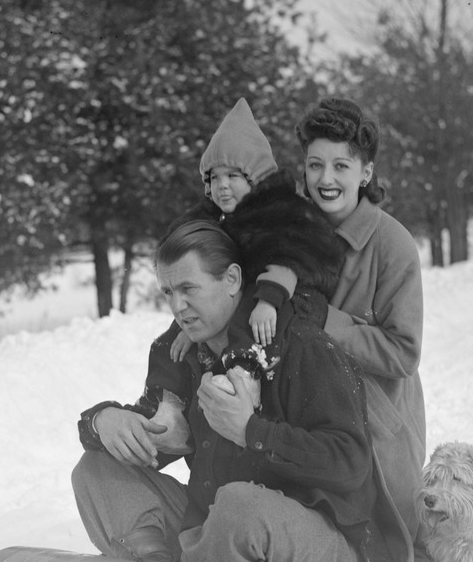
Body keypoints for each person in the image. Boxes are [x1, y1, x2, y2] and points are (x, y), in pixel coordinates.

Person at [72, 221, 377, 562]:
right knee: (95, 472)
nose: (176, 306)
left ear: (232, 280)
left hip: (313, 541)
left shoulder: (302, 345)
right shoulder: (186, 355)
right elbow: (151, 435)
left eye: (188, 289)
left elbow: (351, 464)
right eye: (167, 293)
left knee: (239, 504)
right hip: (217, 536)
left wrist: (253, 431)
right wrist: (103, 421)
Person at [146, 98, 343, 452]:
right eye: (215, 178)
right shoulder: (214, 221)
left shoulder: (278, 211)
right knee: (169, 341)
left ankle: (243, 378)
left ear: (256, 177)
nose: (223, 186)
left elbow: (291, 255)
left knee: (246, 319)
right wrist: (191, 325)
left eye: (233, 176)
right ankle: (169, 406)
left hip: (289, 298)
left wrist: (269, 299)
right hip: (246, 297)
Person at [295, 97, 435, 562]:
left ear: (365, 171)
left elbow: (403, 353)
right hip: (307, 409)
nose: (326, 179)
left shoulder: (393, 244)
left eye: (340, 165)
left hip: (376, 420)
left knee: (400, 548)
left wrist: (326, 322)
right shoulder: (292, 231)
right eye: (315, 165)